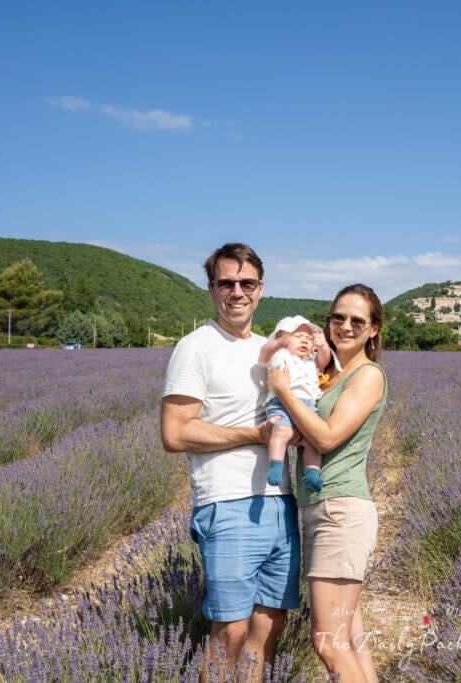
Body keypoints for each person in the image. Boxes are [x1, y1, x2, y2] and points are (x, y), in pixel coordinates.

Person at [160, 243, 300, 682]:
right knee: (231, 633)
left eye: (247, 283)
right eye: (226, 283)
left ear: (261, 289)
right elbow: (175, 432)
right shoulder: (195, 347)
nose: (237, 292)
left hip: (280, 502)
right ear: (211, 290)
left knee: (267, 626)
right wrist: (254, 435)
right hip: (228, 503)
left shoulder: (269, 349)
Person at [267, 283, 387, 683]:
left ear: (373, 329)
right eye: (338, 317)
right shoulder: (329, 375)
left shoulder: (368, 375)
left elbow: (328, 437)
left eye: (357, 321)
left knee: (327, 641)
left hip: (341, 512)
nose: (346, 326)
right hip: (322, 509)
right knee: (350, 638)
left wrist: (282, 390)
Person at [258, 314, 333, 493]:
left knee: (312, 442)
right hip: (281, 404)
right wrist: (278, 344)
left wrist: (322, 345)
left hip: (308, 406)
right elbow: (264, 356)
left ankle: (312, 473)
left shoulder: (311, 361)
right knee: (281, 432)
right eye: (298, 336)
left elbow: (325, 360)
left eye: (308, 338)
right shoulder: (281, 356)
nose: (305, 341)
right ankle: (276, 466)